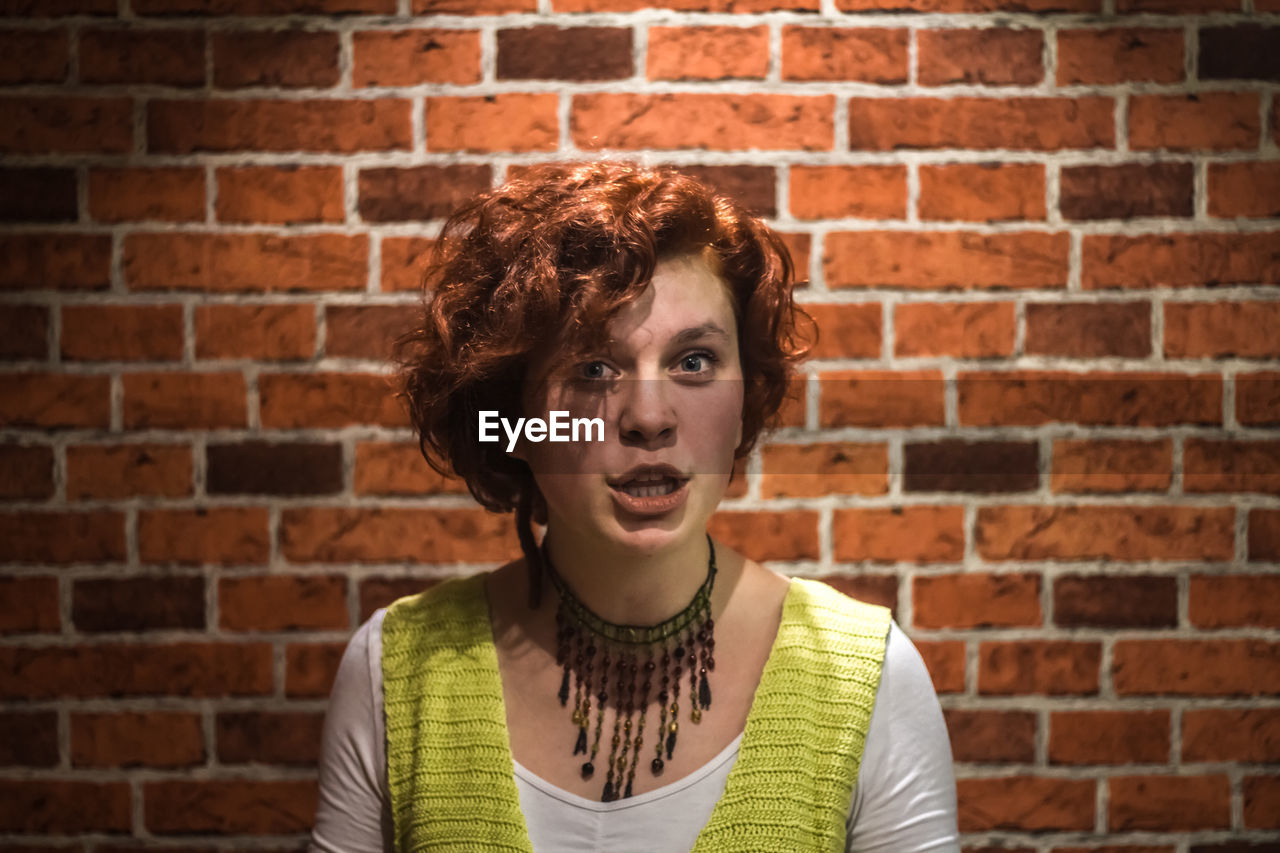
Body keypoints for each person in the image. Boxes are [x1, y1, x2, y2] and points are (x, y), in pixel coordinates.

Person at [308, 162, 959, 852]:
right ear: (514, 419)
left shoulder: (868, 678)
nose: (649, 416)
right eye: (593, 369)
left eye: (695, 362)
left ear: (744, 404)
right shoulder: (397, 672)